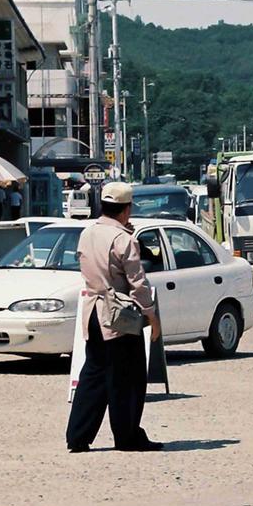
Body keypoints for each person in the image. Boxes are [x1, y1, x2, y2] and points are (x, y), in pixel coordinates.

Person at [66, 182, 163, 453]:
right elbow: (137, 282)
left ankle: (77, 436)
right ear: (126, 209)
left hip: (93, 310)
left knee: (93, 375)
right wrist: (151, 316)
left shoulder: (88, 233)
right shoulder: (124, 240)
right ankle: (127, 435)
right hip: (119, 313)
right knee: (128, 378)